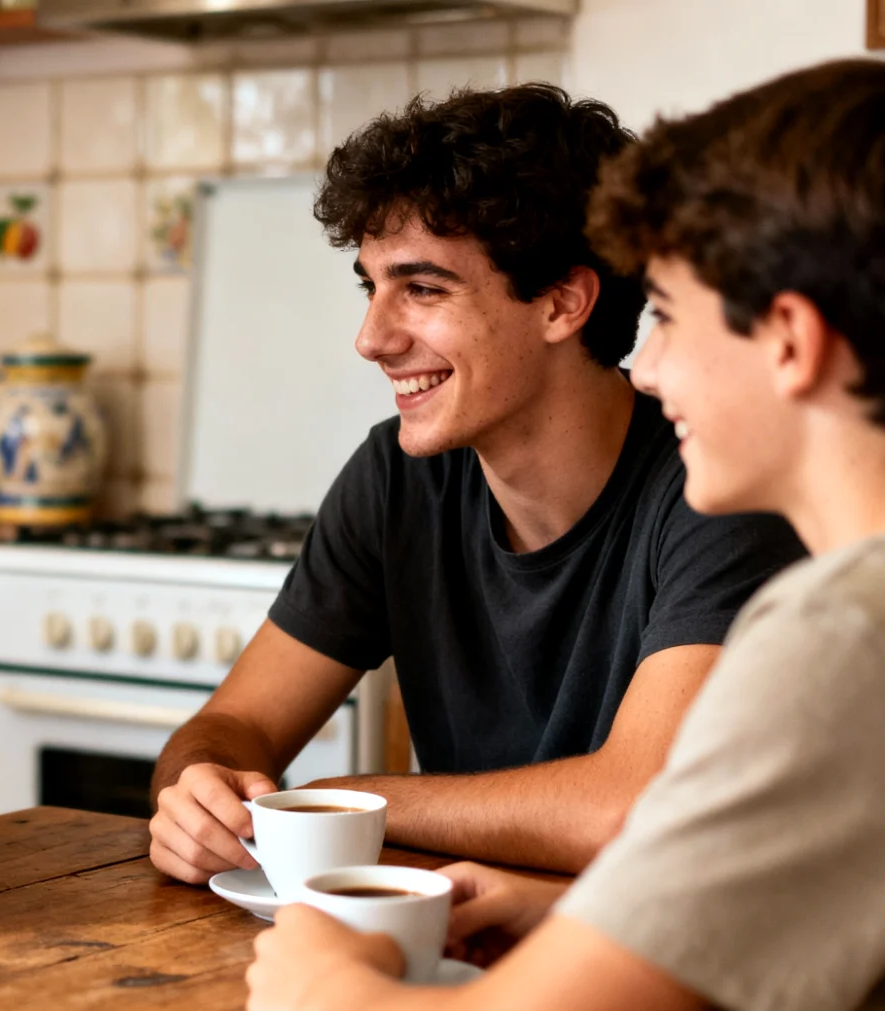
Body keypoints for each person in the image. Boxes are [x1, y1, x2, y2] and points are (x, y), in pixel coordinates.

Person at [245, 58, 885, 1011]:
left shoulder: (841, 633)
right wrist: (576, 913)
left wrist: (324, 982)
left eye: (666, 313)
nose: (650, 364)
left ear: (788, 339)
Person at [150, 83, 807, 880]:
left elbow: (630, 809)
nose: (371, 338)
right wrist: (198, 789)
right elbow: (234, 722)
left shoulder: (718, 484)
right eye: (372, 286)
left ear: (563, 302)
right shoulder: (397, 476)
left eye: (423, 289)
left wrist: (342, 802)